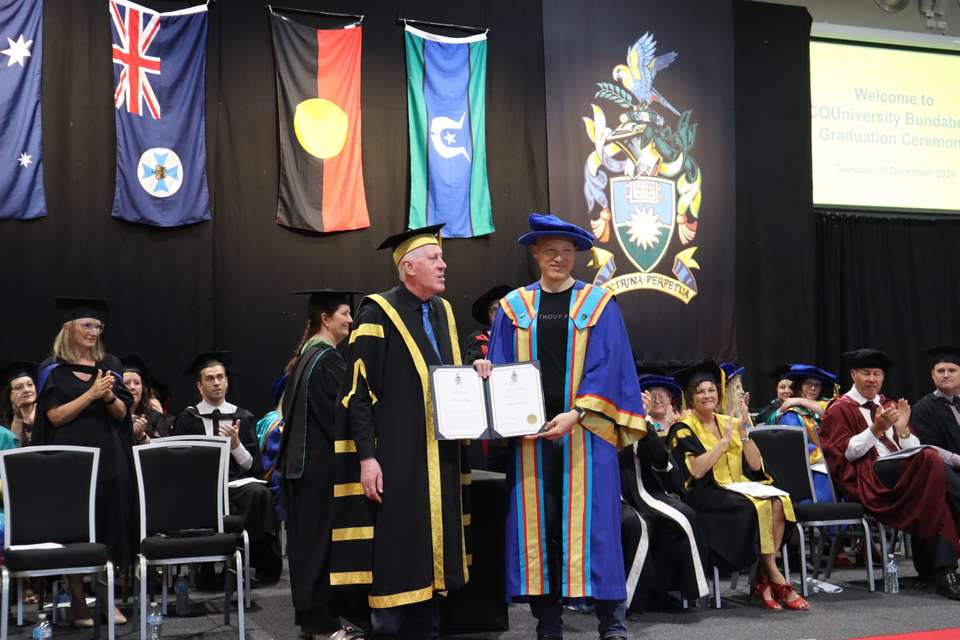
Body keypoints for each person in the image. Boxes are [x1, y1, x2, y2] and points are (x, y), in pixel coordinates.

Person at [487, 213, 646, 640]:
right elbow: (502, 367)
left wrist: (576, 414)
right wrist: (486, 371)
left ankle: (612, 623)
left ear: (576, 256)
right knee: (541, 532)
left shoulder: (598, 304)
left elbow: (610, 367)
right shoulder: (513, 308)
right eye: (550, 251)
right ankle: (548, 625)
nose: (559, 258)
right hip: (531, 436)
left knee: (597, 530)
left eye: (567, 252)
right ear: (535, 254)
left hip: (585, 434)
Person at [328, 225, 483, 639]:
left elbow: (446, 381)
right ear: (408, 267)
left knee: (435, 570)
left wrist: (475, 373)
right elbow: (358, 394)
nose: (444, 264)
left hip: (440, 459)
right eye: (434, 258)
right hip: (398, 459)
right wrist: (366, 457)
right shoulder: (377, 312)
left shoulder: (445, 313)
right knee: (398, 561)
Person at [820, 348, 960, 599]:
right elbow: (846, 454)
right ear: (853, 374)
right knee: (929, 458)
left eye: (877, 373)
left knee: (936, 495)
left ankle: (942, 570)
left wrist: (903, 431)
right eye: (865, 373)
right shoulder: (839, 408)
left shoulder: (889, 405)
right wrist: (875, 429)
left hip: (902, 470)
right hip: (870, 476)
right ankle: (942, 568)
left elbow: (910, 448)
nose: (872, 379)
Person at [667, 360, 807, 611]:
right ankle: (773, 576)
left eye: (711, 390)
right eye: (700, 391)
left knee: (779, 501)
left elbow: (754, 466)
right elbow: (697, 471)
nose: (707, 395)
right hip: (706, 492)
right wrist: (721, 443)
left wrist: (743, 432)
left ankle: (764, 578)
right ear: (690, 397)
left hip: (738, 487)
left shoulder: (728, 421)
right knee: (755, 507)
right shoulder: (683, 428)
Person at [32, 298, 133, 626]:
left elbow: (122, 414)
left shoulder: (111, 364)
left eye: (97, 326)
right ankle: (78, 602)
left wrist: (108, 396)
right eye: (86, 326)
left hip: (108, 458)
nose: (93, 332)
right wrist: (90, 394)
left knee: (108, 523)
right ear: (68, 329)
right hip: (70, 461)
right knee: (76, 529)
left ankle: (106, 599)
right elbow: (55, 417)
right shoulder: (53, 370)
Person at [277, 289, 364, 640]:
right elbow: (337, 418)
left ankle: (317, 623)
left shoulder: (304, 356)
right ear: (325, 318)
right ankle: (323, 626)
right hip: (318, 469)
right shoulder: (326, 359)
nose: (350, 320)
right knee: (318, 550)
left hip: (300, 468)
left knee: (306, 547)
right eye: (344, 313)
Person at [173, 351, 283, 586]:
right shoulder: (187, 419)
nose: (216, 383)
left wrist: (236, 445)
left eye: (220, 377)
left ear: (227, 382)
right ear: (199, 386)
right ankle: (207, 567)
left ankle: (243, 566)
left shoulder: (242, 417)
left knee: (259, 494)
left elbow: (252, 466)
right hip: (201, 488)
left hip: (236, 486)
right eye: (210, 378)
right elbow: (179, 465)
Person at [620, 372, 709, 612]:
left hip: (642, 490)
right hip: (613, 495)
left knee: (683, 515)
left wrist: (644, 420)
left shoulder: (641, 421)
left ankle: (665, 590)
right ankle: (626, 601)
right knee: (636, 524)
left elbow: (661, 462)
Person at [776, 364, 839, 502]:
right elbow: (796, 446)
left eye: (817, 385)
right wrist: (827, 456)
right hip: (809, 470)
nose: (813, 388)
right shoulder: (791, 414)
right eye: (808, 384)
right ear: (799, 386)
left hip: (832, 463)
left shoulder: (823, 409)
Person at [121, 354, 171, 444]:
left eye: (137, 383)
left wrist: (141, 436)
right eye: (127, 383)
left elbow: (162, 451)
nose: (132, 387)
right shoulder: (113, 416)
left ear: (143, 388)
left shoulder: (154, 417)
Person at [462, 284, 512, 364]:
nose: (498, 313)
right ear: (488, 318)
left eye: (502, 308)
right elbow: (472, 362)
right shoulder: (479, 340)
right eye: (493, 310)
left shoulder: (519, 337)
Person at [0, 360, 37, 445]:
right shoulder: (3, 422)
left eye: (30, 384)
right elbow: (12, 449)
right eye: (19, 387)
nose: (27, 390)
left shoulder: (47, 412)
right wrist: (17, 417)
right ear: (9, 394)